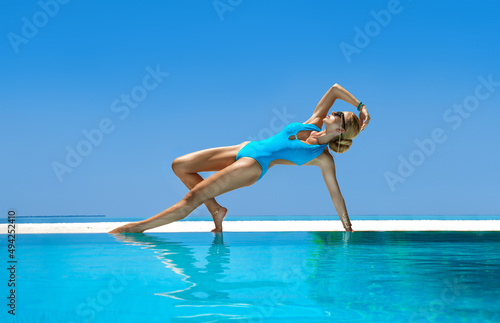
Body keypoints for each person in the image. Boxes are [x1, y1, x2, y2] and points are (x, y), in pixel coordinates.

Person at [109, 83, 371, 234]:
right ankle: (217, 210)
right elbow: (335, 89)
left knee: (192, 197)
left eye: (338, 115)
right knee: (180, 165)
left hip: (253, 166)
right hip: (245, 147)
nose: (333, 111)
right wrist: (361, 107)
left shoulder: (323, 158)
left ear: (339, 130)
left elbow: (336, 194)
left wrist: (347, 226)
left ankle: (137, 228)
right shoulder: (313, 122)